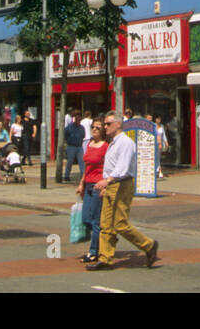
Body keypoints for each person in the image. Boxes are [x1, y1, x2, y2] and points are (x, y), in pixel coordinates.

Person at [86, 111, 159, 272]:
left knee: (119, 223)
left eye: (108, 124)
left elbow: (122, 167)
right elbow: (110, 166)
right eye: (104, 124)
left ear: (118, 124)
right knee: (106, 223)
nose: (105, 127)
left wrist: (107, 180)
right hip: (112, 184)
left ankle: (148, 245)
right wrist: (106, 184)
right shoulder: (113, 142)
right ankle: (105, 258)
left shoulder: (125, 142)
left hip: (122, 184)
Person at [76, 119, 109, 263]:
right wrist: (81, 183)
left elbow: (109, 168)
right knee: (85, 219)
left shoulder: (106, 147)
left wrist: (105, 185)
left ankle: (94, 252)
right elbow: (87, 166)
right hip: (88, 184)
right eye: (93, 127)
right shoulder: (89, 144)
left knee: (95, 220)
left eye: (98, 127)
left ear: (103, 131)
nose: (94, 129)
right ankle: (102, 240)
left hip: (98, 186)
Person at [63, 113, 85, 182]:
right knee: (70, 161)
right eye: (77, 120)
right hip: (71, 146)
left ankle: (83, 175)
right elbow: (66, 135)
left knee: (81, 161)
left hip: (79, 146)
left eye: (79, 120)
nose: (78, 122)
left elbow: (83, 135)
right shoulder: (69, 127)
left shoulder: (82, 128)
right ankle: (66, 175)